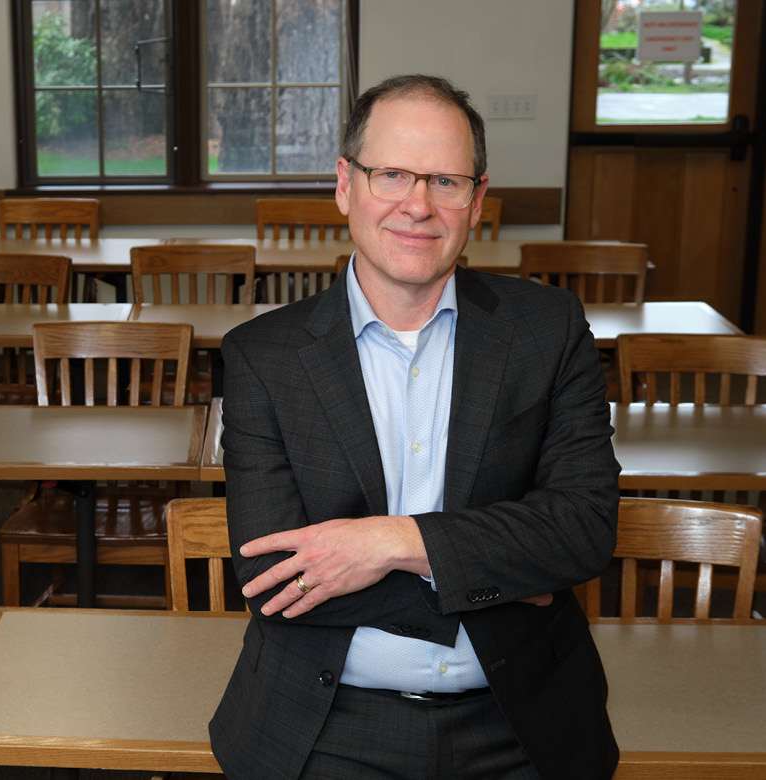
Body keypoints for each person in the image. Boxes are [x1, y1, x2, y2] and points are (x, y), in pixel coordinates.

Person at [209, 74, 620, 780]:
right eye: (391, 174)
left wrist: (390, 542)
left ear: (477, 200)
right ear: (345, 185)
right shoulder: (262, 355)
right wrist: (507, 573)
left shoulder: (547, 329)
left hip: (520, 715)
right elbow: (275, 575)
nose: (417, 206)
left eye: (445, 181)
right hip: (325, 718)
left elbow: (583, 530)